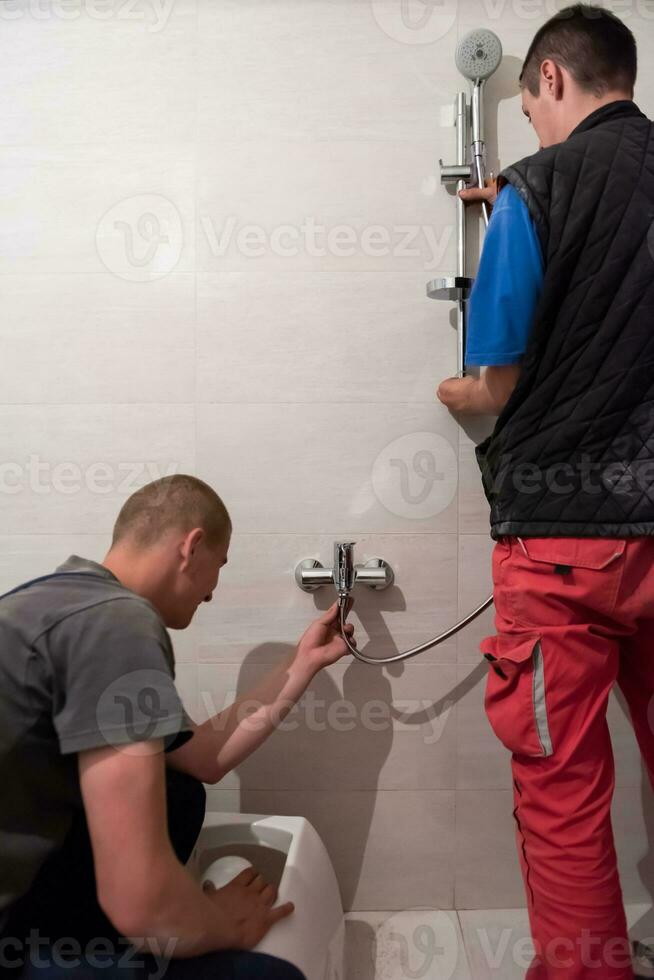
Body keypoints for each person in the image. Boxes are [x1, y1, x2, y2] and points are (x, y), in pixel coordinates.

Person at [437, 5, 654, 979]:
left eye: (529, 110)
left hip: (561, 548)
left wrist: (450, 386)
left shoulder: (536, 190)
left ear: (553, 81)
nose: (534, 130)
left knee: (563, 794)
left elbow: (495, 382)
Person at [0, 474, 356, 979]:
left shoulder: (55, 602)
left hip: (34, 900)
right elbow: (140, 904)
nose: (212, 592)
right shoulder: (117, 622)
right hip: (14, 938)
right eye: (221, 566)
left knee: (179, 790)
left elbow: (200, 756)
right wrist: (221, 922)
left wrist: (303, 664)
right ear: (191, 547)